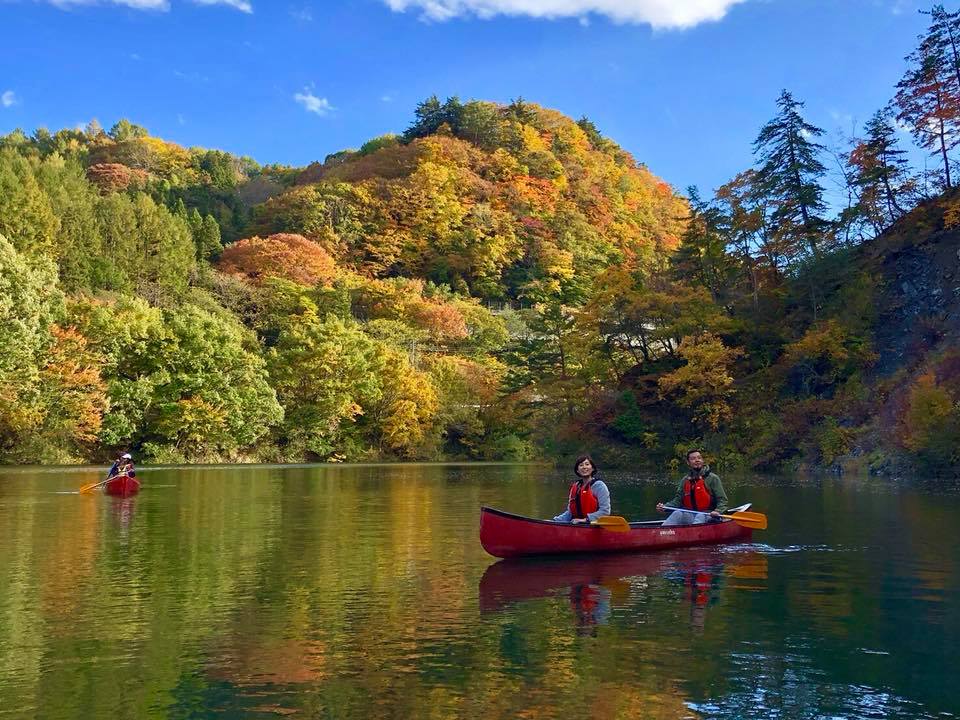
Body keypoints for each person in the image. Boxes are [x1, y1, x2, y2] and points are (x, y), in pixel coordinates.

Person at [656, 450, 727, 527]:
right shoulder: (685, 480)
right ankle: (662, 534)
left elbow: (722, 500)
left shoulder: (713, 478)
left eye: (699, 458)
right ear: (688, 462)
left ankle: (693, 535)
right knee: (678, 513)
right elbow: (677, 501)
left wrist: (718, 511)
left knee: (700, 516)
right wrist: (665, 507)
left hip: (710, 515)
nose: (697, 460)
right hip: (691, 515)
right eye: (693, 458)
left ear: (702, 460)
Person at [552, 455, 611, 525]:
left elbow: (605, 511)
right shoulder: (576, 486)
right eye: (581, 465)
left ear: (592, 468)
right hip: (578, 524)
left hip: (594, 525)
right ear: (577, 470)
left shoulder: (599, 486)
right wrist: (555, 521)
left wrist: (585, 520)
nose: (584, 467)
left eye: (587, 464)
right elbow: (570, 512)